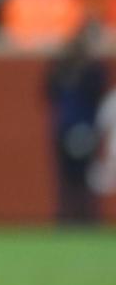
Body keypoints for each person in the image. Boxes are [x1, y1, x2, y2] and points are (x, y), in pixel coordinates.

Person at [45, 25, 107, 224]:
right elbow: (98, 93)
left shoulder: (60, 65)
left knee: (68, 177)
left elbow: (48, 92)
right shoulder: (92, 68)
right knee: (82, 175)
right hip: (82, 124)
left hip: (63, 125)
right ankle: (84, 217)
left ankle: (68, 215)